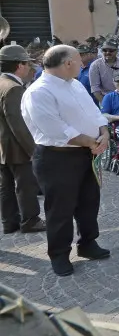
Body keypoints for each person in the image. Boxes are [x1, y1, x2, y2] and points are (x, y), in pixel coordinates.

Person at [21, 45, 111, 276]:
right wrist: (91, 142)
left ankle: (88, 244)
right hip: (56, 158)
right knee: (60, 209)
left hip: (86, 153)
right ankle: (59, 255)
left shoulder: (76, 84)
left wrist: (104, 132)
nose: (83, 64)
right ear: (67, 63)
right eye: (79, 60)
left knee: (89, 202)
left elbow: (94, 111)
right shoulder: (39, 91)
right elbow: (56, 130)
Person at [0, 45, 44, 234]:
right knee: (25, 185)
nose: (28, 68)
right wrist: (33, 151)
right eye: (27, 64)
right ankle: (30, 220)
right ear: (19, 66)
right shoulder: (14, 89)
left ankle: (9, 222)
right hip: (16, 147)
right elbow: (18, 125)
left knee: (6, 186)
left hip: (3, 146)